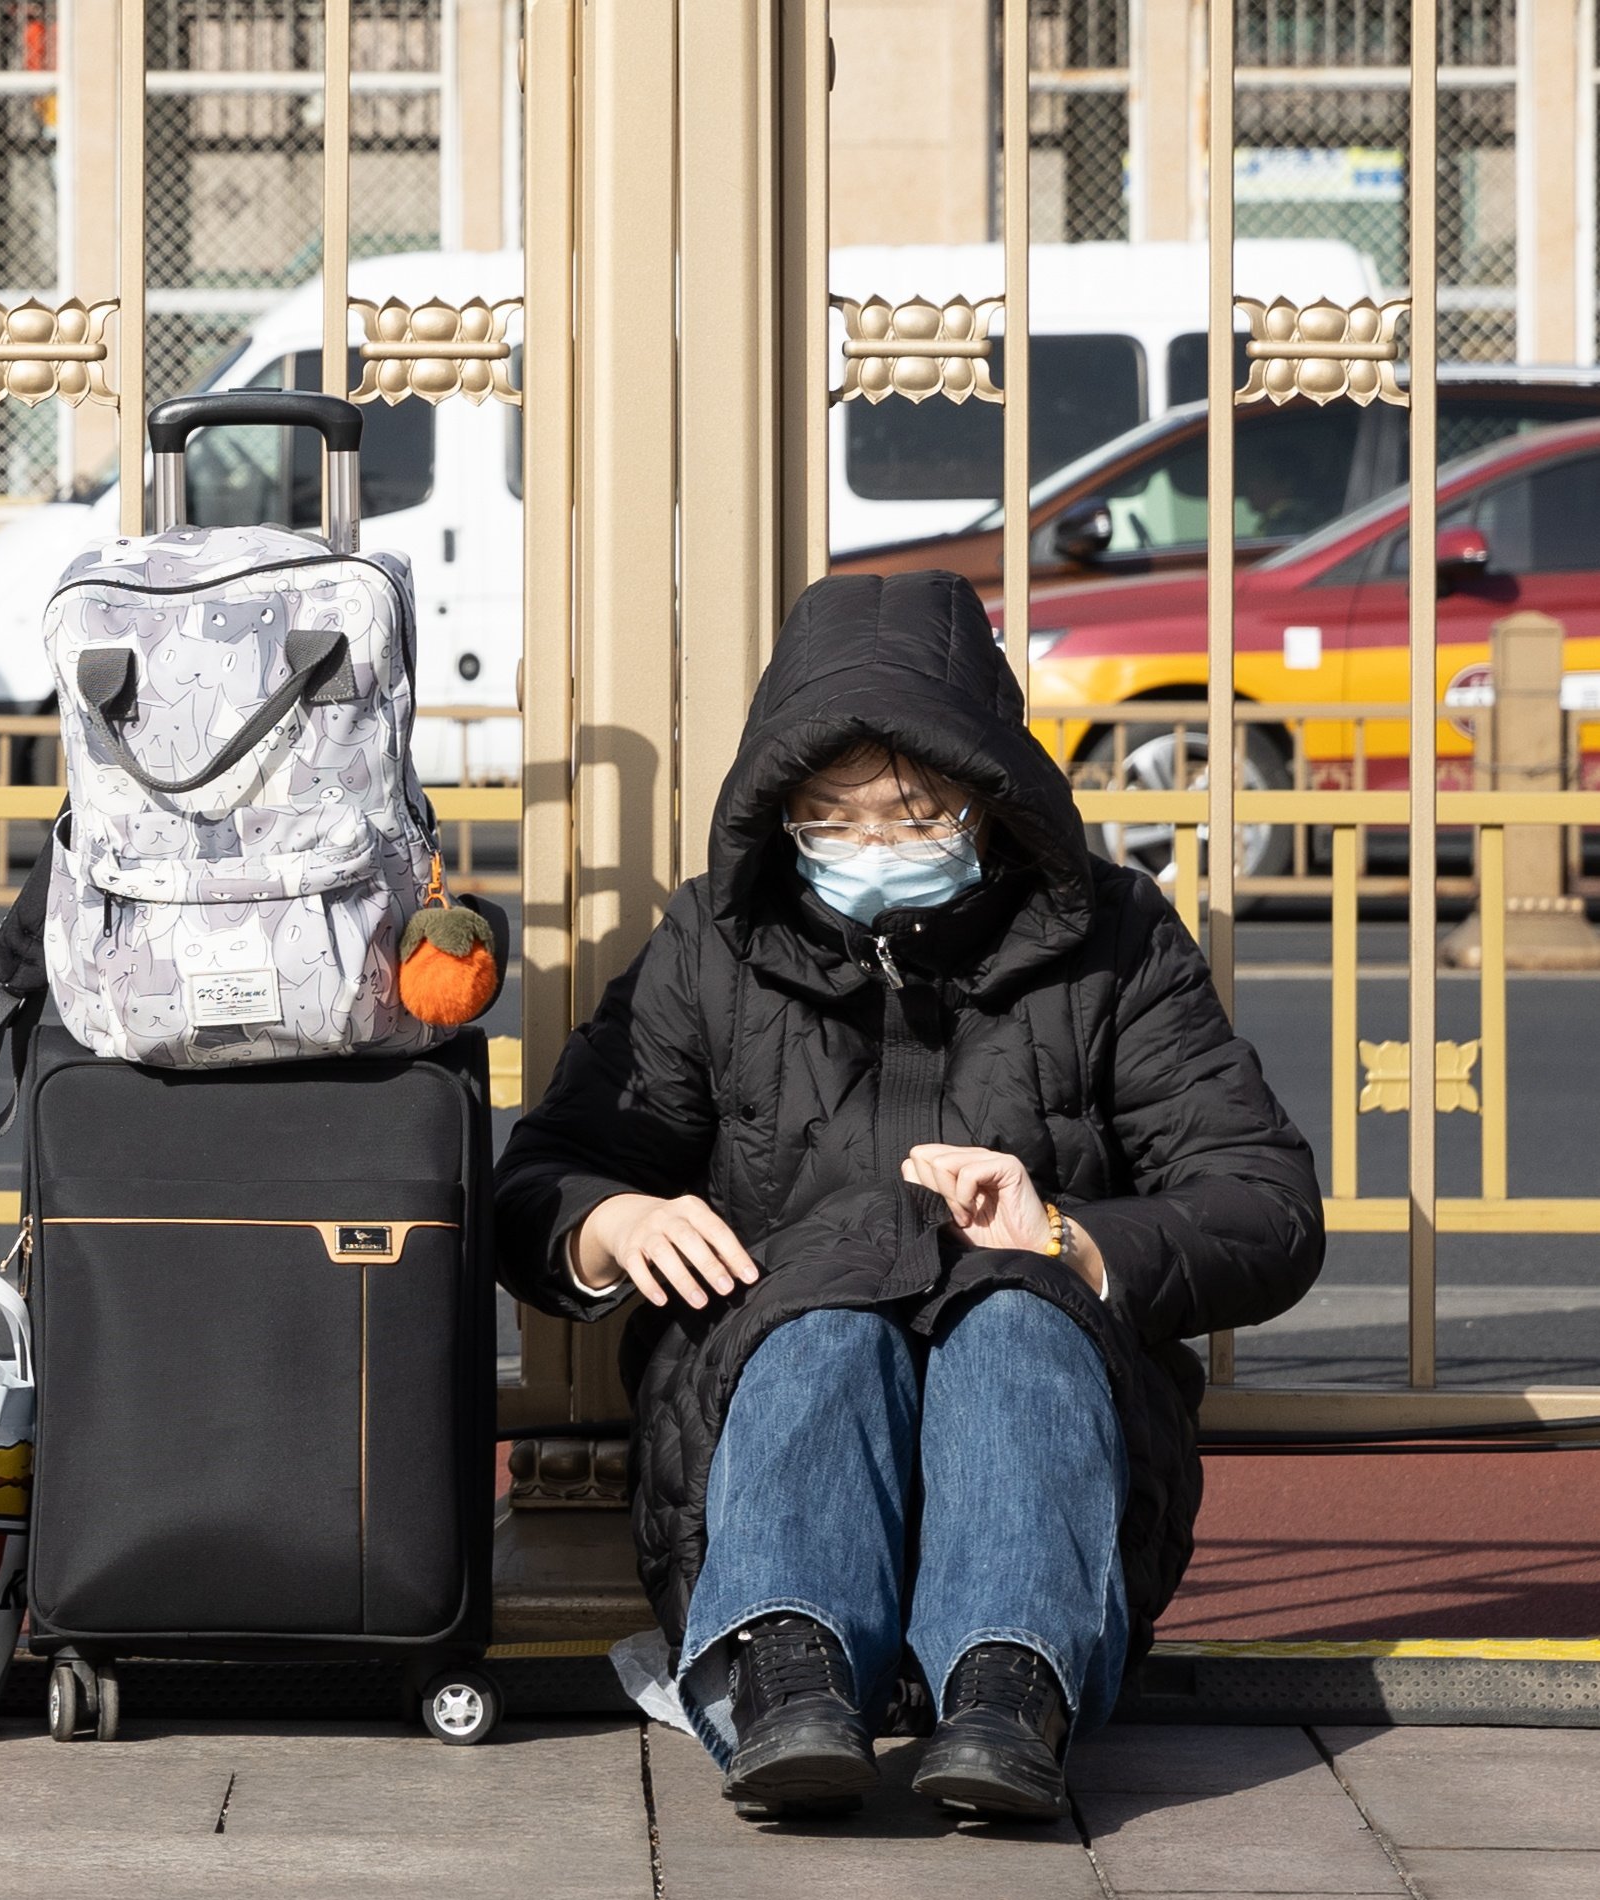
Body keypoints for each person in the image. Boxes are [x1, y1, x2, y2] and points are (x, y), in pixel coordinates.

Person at [495, 572, 1322, 1821]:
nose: (872, 845)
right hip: (770, 1383)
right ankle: (785, 1673)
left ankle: (1007, 1691)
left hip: (1043, 1385)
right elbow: (544, 1175)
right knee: (826, 1312)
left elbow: (1264, 1203)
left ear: (987, 802)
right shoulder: (712, 947)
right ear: (777, 815)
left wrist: (1063, 1237)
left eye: (911, 810)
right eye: (830, 817)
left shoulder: (1114, 940)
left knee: (1007, 1312)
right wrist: (613, 1221)